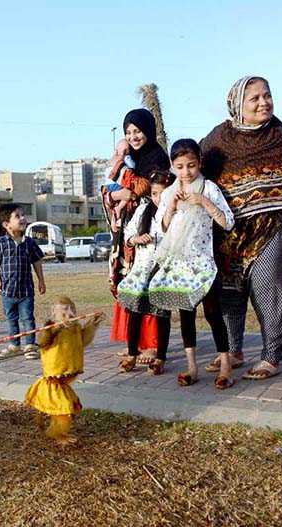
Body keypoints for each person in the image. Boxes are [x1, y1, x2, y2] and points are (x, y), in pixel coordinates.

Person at [200, 76, 282, 380]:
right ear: (237, 104)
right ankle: (233, 350)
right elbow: (195, 176)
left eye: (267, 95)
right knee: (228, 294)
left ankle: (271, 356)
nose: (264, 102)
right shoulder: (216, 141)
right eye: (255, 98)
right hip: (227, 232)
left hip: (272, 229)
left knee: (269, 290)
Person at [148, 139, 236, 389]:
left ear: (199, 162)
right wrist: (172, 206)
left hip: (203, 261)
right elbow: (160, 230)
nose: (186, 172)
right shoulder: (168, 193)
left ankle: (226, 365)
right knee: (185, 313)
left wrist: (204, 202)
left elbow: (227, 222)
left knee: (212, 313)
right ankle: (192, 367)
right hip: (177, 262)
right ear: (173, 166)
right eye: (180, 167)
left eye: (191, 165)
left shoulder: (209, 188)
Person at [103, 109, 172, 365]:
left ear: (148, 130)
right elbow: (111, 190)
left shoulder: (157, 157)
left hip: (151, 235)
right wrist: (120, 194)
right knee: (129, 282)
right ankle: (133, 342)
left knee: (150, 287)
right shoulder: (132, 158)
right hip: (129, 235)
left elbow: (146, 188)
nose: (133, 137)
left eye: (137, 131)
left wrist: (126, 187)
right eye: (128, 132)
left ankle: (152, 345)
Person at [115, 171, 176, 375]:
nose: (160, 198)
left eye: (165, 193)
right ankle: (132, 353)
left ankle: (161, 357)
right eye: (156, 193)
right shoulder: (143, 210)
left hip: (164, 272)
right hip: (142, 270)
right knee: (136, 312)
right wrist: (136, 239)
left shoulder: (178, 213)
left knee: (161, 315)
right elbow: (128, 233)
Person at [25, 297, 105, 445]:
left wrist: (94, 322)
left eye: (72, 310)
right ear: (54, 311)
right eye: (65, 311)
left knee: (66, 408)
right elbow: (42, 342)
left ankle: (53, 428)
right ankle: (58, 434)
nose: (70, 315)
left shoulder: (74, 329)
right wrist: (49, 331)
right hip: (54, 381)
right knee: (65, 410)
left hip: (65, 380)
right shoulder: (52, 329)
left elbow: (83, 341)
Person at [0, 203, 47, 359]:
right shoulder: (0, 243)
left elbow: (37, 261)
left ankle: (30, 346)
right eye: (18, 216)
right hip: (7, 291)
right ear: (6, 224)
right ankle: (14, 345)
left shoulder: (29, 242)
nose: (23, 218)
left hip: (26, 291)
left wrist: (41, 280)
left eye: (23, 215)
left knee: (28, 318)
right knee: (11, 319)